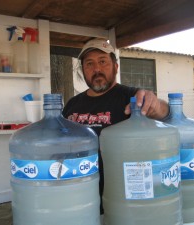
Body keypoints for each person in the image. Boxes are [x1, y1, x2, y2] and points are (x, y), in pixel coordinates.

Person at [62, 38, 169, 214]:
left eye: (102, 62)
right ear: (83, 70)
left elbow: (165, 114)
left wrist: (156, 105)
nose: (96, 69)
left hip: (121, 199)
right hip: (80, 195)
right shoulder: (73, 104)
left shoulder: (131, 96)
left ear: (116, 66)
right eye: (89, 64)